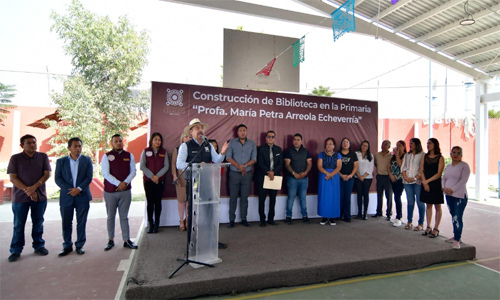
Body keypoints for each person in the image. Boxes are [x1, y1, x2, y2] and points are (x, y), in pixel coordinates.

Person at [176, 118, 229, 249]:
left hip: (208, 182)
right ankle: (191, 243)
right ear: (191, 131)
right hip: (193, 183)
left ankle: (212, 240)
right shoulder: (185, 146)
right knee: (193, 213)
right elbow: (179, 164)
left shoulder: (207, 144)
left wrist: (222, 153)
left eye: (201, 128)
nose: (200, 130)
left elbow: (216, 160)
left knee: (210, 212)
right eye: (197, 128)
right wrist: (197, 165)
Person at [7, 134, 51, 262]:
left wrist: (34, 187)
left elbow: (46, 174)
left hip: (40, 197)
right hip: (20, 198)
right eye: (29, 143)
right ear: (22, 145)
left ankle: (39, 246)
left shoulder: (42, 157)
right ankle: (15, 250)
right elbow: (13, 178)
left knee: (38, 222)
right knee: (18, 224)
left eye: (34, 142)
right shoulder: (15, 158)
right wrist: (28, 191)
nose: (32, 145)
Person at [55, 137, 93, 256]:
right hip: (67, 196)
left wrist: (79, 189)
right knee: (66, 222)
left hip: (82, 196)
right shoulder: (61, 161)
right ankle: (67, 245)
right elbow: (58, 178)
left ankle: (79, 245)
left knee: (81, 222)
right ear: (69, 148)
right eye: (75, 146)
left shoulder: (87, 160)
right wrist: (70, 190)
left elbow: (89, 177)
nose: (78, 148)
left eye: (80, 146)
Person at [101, 134, 138, 251]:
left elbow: (133, 171)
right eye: (116, 141)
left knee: (124, 217)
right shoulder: (106, 156)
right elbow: (106, 174)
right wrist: (118, 184)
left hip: (125, 191)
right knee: (110, 216)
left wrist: (125, 183)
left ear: (123, 142)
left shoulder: (129, 155)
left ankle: (126, 240)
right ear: (112, 143)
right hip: (110, 192)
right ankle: (110, 240)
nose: (118, 143)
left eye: (120, 141)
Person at [226, 124, 257, 228]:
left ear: (246, 132)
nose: (242, 132)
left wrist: (243, 166)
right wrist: (239, 167)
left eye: (244, 130)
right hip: (234, 174)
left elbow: (254, 159)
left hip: (247, 175)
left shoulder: (252, 143)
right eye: (240, 130)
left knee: (245, 198)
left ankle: (244, 219)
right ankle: (231, 220)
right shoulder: (232, 143)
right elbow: (228, 158)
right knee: (233, 198)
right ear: (237, 132)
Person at [442, 146, 471, 250]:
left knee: (457, 217)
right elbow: (444, 178)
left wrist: (452, 189)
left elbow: (463, 181)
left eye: (458, 153)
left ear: (461, 155)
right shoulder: (448, 166)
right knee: (453, 216)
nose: (456, 155)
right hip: (449, 196)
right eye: (454, 152)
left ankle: (457, 239)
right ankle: (455, 235)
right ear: (451, 154)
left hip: (459, 196)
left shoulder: (464, 166)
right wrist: (444, 188)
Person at [140, 132, 169, 234]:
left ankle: (157, 223)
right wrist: (152, 176)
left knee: (158, 202)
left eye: (159, 140)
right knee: (150, 203)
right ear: (151, 140)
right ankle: (150, 223)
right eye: (155, 139)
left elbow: (166, 166)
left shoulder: (163, 152)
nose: (157, 141)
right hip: (148, 181)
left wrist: (157, 176)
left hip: (159, 181)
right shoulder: (145, 151)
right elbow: (142, 166)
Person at [284, 133, 312, 225]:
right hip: (292, 178)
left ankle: (305, 216)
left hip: (304, 179)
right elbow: (287, 164)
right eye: (294, 139)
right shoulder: (288, 151)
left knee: (303, 198)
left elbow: (309, 163)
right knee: (291, 197)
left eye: (298, 140)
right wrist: (294, 173)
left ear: (301, 141)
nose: (296, 141)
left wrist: (305, 172)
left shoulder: (306, 151)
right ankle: (288, 217)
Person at [256, 130, 283, 227]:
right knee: (262, 199)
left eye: (272, 137)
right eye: (269, 137)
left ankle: (271, 219)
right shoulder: (260, 149)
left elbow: (281, 163)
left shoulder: (279, 149)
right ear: (266, 138)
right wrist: (268, 172)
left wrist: (273, 172)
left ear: (275, 138)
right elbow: (260, 163)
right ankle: (262, 220)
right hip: (263, 177)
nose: (270, 138)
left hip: (275, 177)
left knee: (273, 199)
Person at [420, 138, 445, 238]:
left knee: (437, 206)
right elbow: (421, 170)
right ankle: (428, 226)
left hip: (435, 184)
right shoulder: (424, 156)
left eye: (430, 143)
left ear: (435, 145)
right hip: (426, 183)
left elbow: (439, 173)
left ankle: (436, 228)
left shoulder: (440, 157)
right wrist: (424, 182)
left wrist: (427, 181)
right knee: (428, 205)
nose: (428, 145)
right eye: (427, 143)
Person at [401, 138, 425, 231]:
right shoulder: (407, 155)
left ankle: (420, 223)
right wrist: (406, 178)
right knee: (410, 202)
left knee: (420, 202)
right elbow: (403, 168)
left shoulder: (422, 155)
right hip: (407, 182)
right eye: (409, 143)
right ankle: (409, 222)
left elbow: (422, 169)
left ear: (417, 144)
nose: (410, 145)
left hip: (417, 182)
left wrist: (415, 178)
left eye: (412, 143)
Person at [317, 137, 342, 225]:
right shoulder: (321, 154)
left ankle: (332, 217)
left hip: (334, 177)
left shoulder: (338, 155)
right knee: (324, 196)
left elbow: (339, 167)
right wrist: (326, 173)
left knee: (333, 197)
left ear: (334, 146)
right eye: (327, 144)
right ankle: (324, 217)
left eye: (331, 144)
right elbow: (319, 166)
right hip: (324, 176)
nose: (329, 146)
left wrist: (331, 174)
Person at [171, 132, 191, 231]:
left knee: (189, 200)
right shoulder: (177, 149)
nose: (187, 138)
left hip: (191, 177)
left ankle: (187, 220)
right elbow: (174, 163)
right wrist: (175, 176)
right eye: (185, 137)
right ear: (182, 139)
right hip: (180, 177)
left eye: (189, 137)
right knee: (181, 200)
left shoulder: (193, 149)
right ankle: (181, 220)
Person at [338, 137, 358, 223]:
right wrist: (341, 175)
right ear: (341, 144)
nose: (345, 144)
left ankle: (347, 215)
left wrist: (350, 176)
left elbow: (356, 167)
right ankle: (338, 214)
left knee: (347, 197)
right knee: (340, 196)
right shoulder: (337, 154)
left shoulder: (353, 154)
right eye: (343, 142)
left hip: (350, 178)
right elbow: (335, 167)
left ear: (349, 144)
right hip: (339, 177)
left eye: (347, 142)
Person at [354, 140, 374, 220]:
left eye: (366, 146)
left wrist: (364, 176)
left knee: (365, 194)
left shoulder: (370, 155)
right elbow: (354, 166)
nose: (364, 147)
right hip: (357, 177)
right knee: (359, 194)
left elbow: (371, 168)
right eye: (363, 145)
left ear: (368, 147)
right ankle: (359, 213)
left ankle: (365, 213)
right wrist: (359, 175)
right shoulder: (356, 154)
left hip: (367, 178)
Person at [374, 140, 393, 220]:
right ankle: (378, 212)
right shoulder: (377, 155)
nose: (383, 146)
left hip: (387, 177)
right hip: (379, 176)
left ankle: (388, 213)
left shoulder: (391, 156)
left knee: (388, 196)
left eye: (385, 145)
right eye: (382, 144)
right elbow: (375, 164)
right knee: (379, 195)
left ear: (389, 147)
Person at [389, 140, 406, 227]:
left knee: (397, 196)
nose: (398, 147)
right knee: (395, 197)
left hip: (400, 179)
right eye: (396, 145)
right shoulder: (393, 156)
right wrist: (391, 175)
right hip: (393, 179)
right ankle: (399, 216)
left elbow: (400, 165)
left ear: (404, 147)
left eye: (400, 146)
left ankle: (399, 217)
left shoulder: (404, 156)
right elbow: (389, 166)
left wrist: (396, 154)